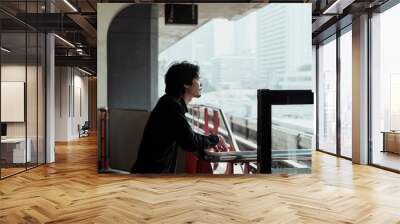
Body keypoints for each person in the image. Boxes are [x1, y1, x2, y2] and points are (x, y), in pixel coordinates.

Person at [131, 61, 228, 173]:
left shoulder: (169, 102)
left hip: (150, 174)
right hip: (150, 177)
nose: (200, 84)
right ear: (186, 84)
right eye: (197, 78)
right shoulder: (171, 105)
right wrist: (216, 139)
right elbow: (190, 141)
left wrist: (205, 145)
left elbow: (185, 136)